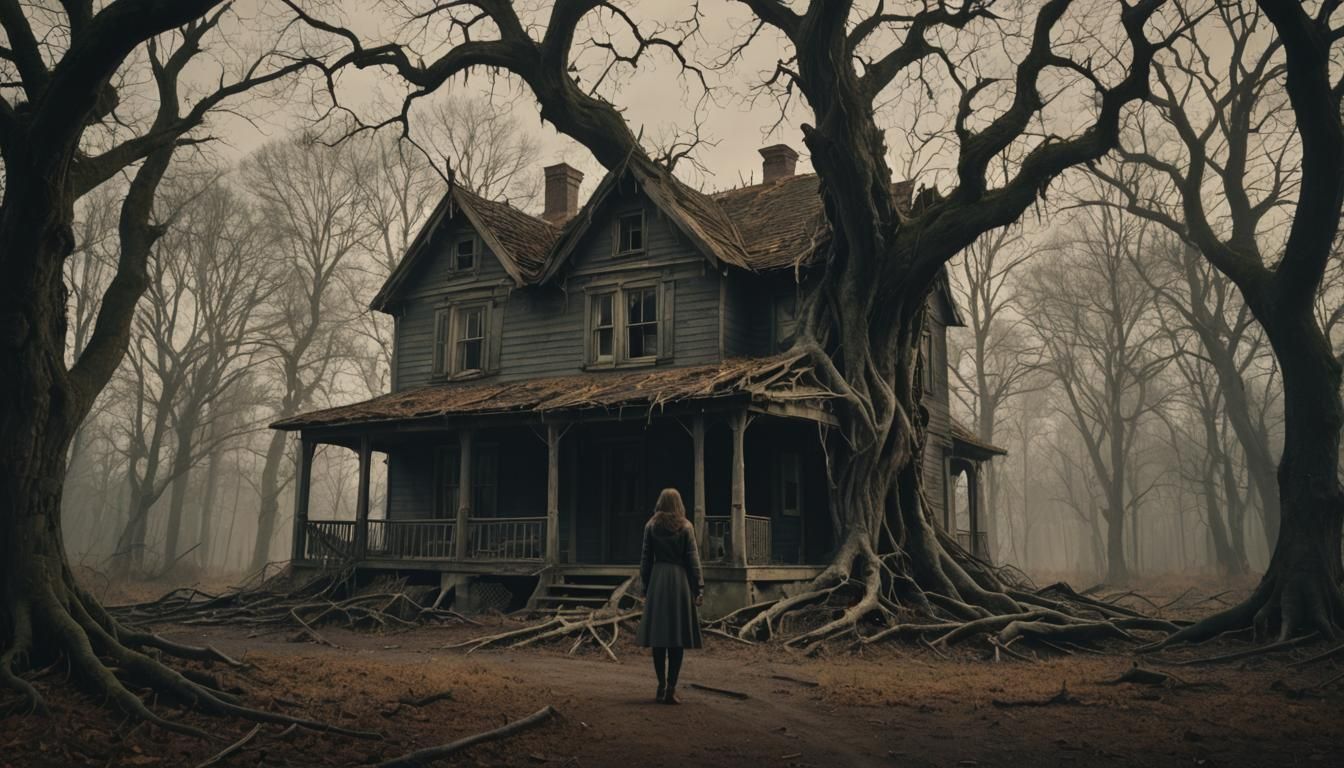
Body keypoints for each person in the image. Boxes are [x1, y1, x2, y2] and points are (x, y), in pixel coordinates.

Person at [636, 488, 704, 704]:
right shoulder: (686, 526)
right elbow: (693, 560)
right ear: (679, 504)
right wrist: (698, 586)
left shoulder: (651, 526)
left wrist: (645, 585)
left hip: (658, 580)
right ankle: (671, 689)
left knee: (659, 638)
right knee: (677, 638)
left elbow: (646, 558)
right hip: (679, 581)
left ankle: (660, 685)